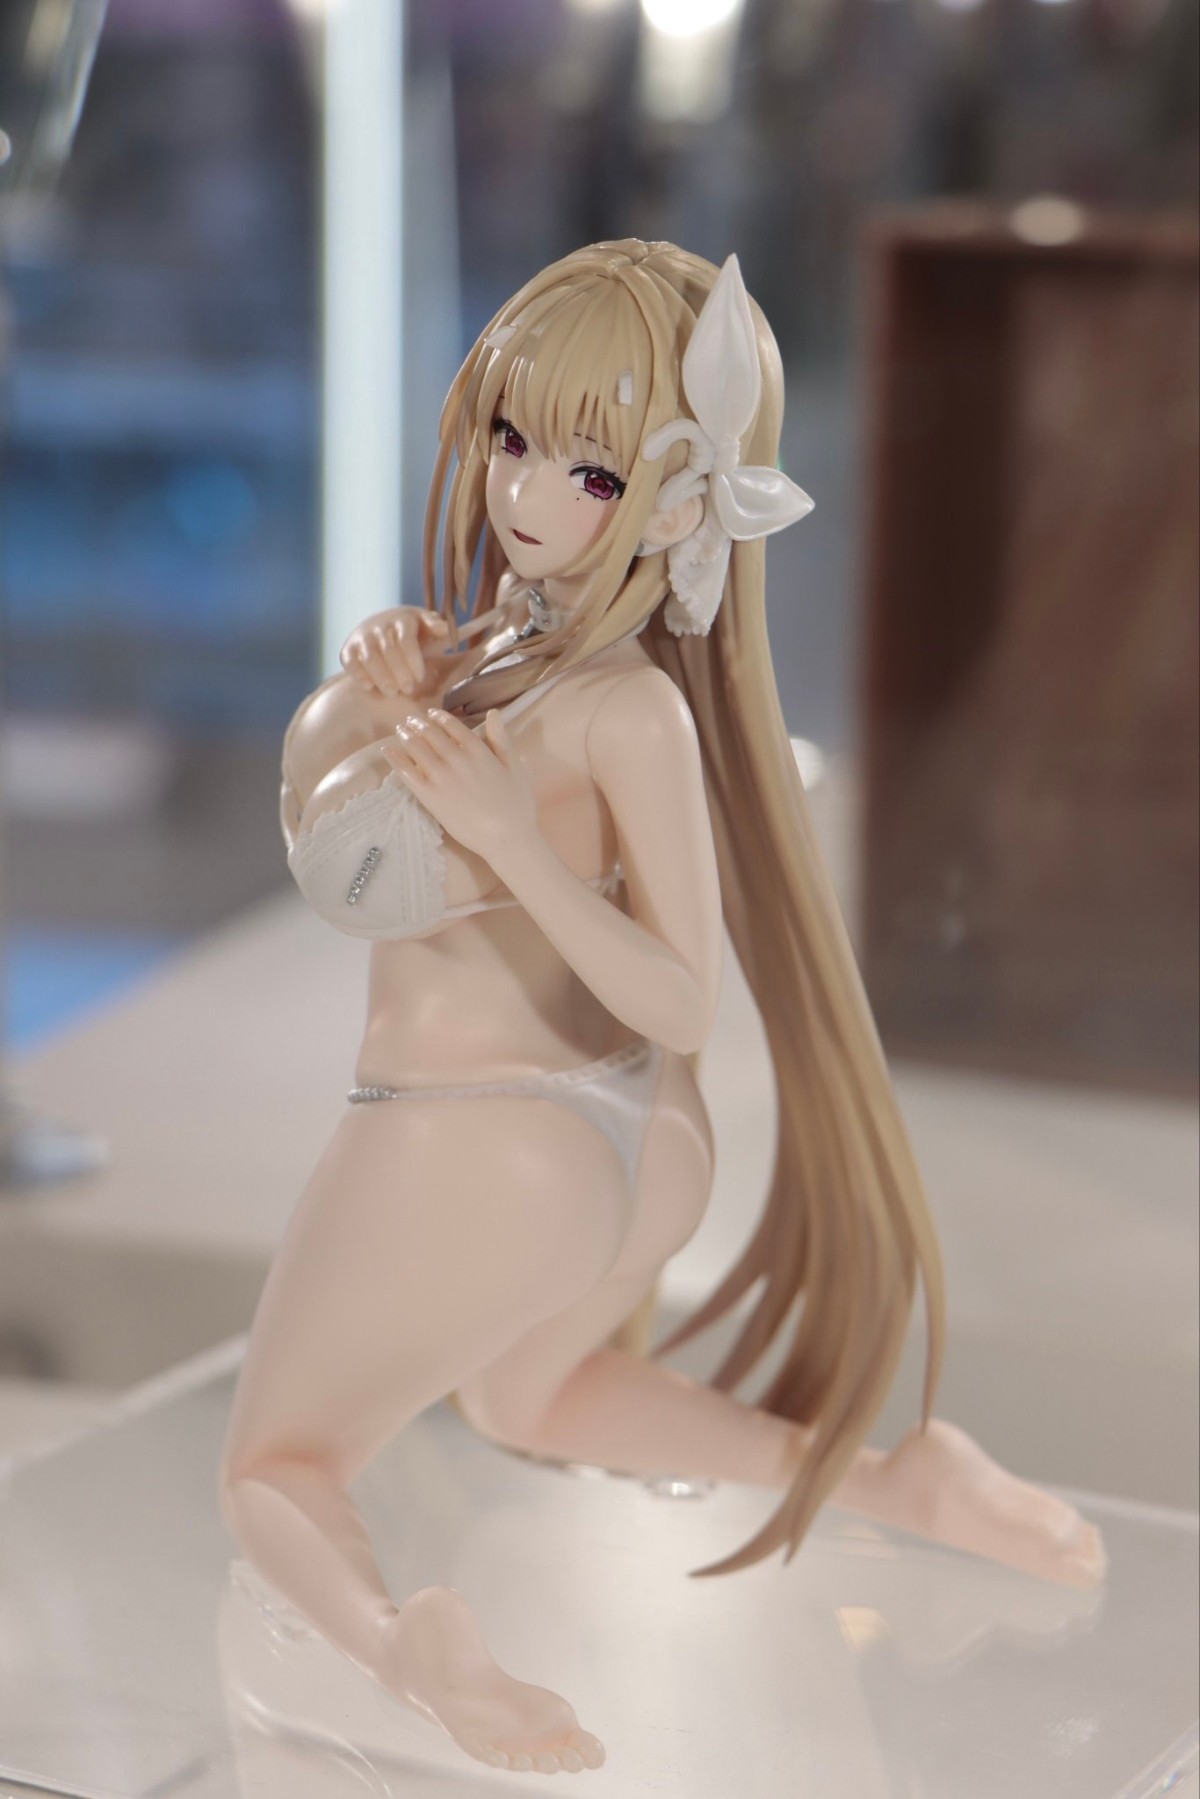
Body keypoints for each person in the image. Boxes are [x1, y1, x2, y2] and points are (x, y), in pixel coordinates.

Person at [220, 241, 1104, 1778]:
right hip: (627, 1150)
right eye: (511, 437)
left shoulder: (625, 707)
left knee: (275, 1463)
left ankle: (402, 1649)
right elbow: (333, 821)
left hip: (492, 1142)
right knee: (533, 1393)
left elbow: (685, 991)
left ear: (679, 506)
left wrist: (508, 842)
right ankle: (903, 1483)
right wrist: (386, 685)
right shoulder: (501, 658)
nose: (524, 492)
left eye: (592, 471)